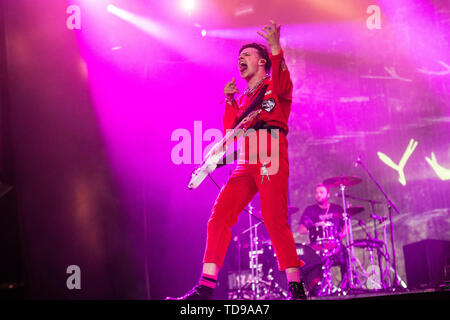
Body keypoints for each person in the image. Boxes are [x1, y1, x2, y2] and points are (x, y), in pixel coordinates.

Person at [166, 21, 307, 300]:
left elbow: (283, 80)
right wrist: (230, 99)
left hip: (270, 153)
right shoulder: (244, 98)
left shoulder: (274, 84)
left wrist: (276, 46)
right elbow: (230, 132)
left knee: (273, 217)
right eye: (239, 57)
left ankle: (296, 288)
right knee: (218, 217)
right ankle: (205, 288)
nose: (241, 59)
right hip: (246, 159)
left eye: (248, 55)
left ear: (263, 62)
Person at [298, 183, 348, 293]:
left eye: (321, 192)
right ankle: (315, 289)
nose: (318, 195)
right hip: (317, 247)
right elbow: (301, 229)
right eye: (316, 193)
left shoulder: (337, 208)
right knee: (310, 261)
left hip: (335, 246)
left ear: (328, 195)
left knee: (346, 254)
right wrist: (313, 228)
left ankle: (346, 286)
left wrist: (340, 234)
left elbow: (345, 228)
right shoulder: (310, 210)